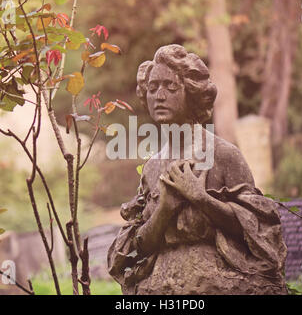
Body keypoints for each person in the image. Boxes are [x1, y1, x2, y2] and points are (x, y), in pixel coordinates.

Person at [108, 44, 287, 294]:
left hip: (219, 283)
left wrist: (200, 197)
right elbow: (141, 246)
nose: (159, 95)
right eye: (152, 88)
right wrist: (164, 210)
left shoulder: (224, 156)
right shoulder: (152, 167)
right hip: (160, 286)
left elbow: (257, 232)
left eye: (170, 87)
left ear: (191, 93)